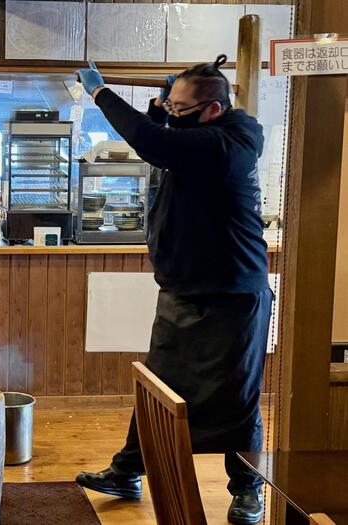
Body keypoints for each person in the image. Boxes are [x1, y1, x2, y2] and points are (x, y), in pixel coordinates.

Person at [74, 56, 272, 525]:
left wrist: (101, 93)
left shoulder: (230, 143)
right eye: (171, 103)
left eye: (182, 107)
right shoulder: (201, 131)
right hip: (182, 290)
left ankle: (247, 491)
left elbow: (152, 142)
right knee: (159, 385)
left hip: (232, 297)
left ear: (213, 109)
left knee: (237, 398)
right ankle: (127, 471)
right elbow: (162, 136)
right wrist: (163, 108)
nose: (172, 112)